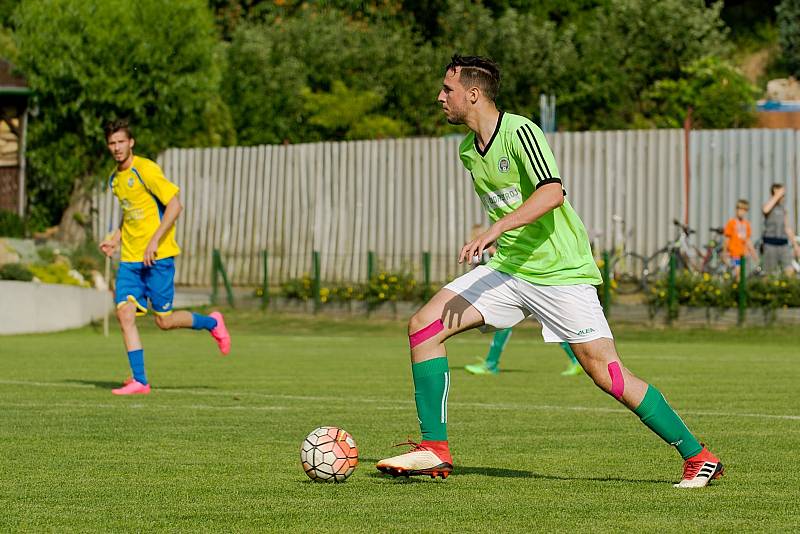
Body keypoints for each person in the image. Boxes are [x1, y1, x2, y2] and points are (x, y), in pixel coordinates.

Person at [375, 55, 723, 488]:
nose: (439, 97)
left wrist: (495, 229)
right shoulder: (468, 150)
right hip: (509, 271)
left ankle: (698, 456)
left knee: (607, 374)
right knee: (424, 326)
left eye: (447, 89)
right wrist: (498, 238)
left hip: (560, 274)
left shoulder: (521, 131)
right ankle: (434, 450)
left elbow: (552, 193)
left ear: (473, 93)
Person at [99, 119, 231, 395]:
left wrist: (154, 241)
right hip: (130, 261)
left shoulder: (145, 169)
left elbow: (175, 205)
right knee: (124, 314)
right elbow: (130, 214)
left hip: (158, 257)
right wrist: (115, 239)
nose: (116, 148)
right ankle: (140, 381)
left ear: (131, 142)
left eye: (121, 142)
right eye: (112, 143)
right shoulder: (115, 179)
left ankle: (212, 322)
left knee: (164, 321)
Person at [463, 224, 582, 377]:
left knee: (549, 324)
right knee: (507, 326)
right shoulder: (480, 252)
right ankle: (491, 363)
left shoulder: (494, 251)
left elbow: (501, 261)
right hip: (512, 292)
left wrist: (491, 252)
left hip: (522, 290)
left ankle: (491, 365)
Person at [761, 184, 800, 275]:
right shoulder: (768, 206)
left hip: (783, 244)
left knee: (789, 270)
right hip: (770, 244)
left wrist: (795, 246)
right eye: (780, 194)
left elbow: (787, 228)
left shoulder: (783, 209)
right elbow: (765, 210)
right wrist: (777, 195)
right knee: (769, 273)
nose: (782, 197)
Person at [722, 199, 758, 278]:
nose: (741, 212)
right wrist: (724, 253)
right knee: (737, 272)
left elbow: (748, 240)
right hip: (734, 254)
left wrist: (754, 254)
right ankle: (737, 289)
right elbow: (727, 239)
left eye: (744, 210)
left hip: (744, 254)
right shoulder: (731, 223)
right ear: (736, 210)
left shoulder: (746, 224)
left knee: (743, 274)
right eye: (740, 209)